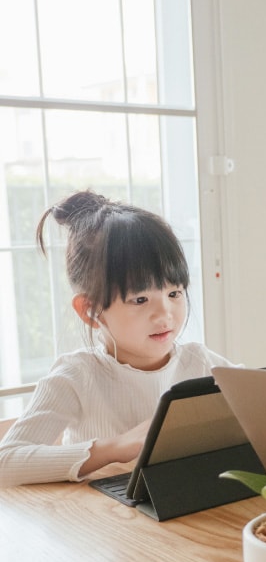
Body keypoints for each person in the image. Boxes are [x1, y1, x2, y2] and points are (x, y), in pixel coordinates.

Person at [0, 190, 238, 487]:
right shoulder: (77, 375)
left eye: (174, 293)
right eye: (140, 299)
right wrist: (117, 447)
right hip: (105, 525)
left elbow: (264, 405)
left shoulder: (199, 362)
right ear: (90, 310)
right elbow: (6, 461)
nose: (165, 314)